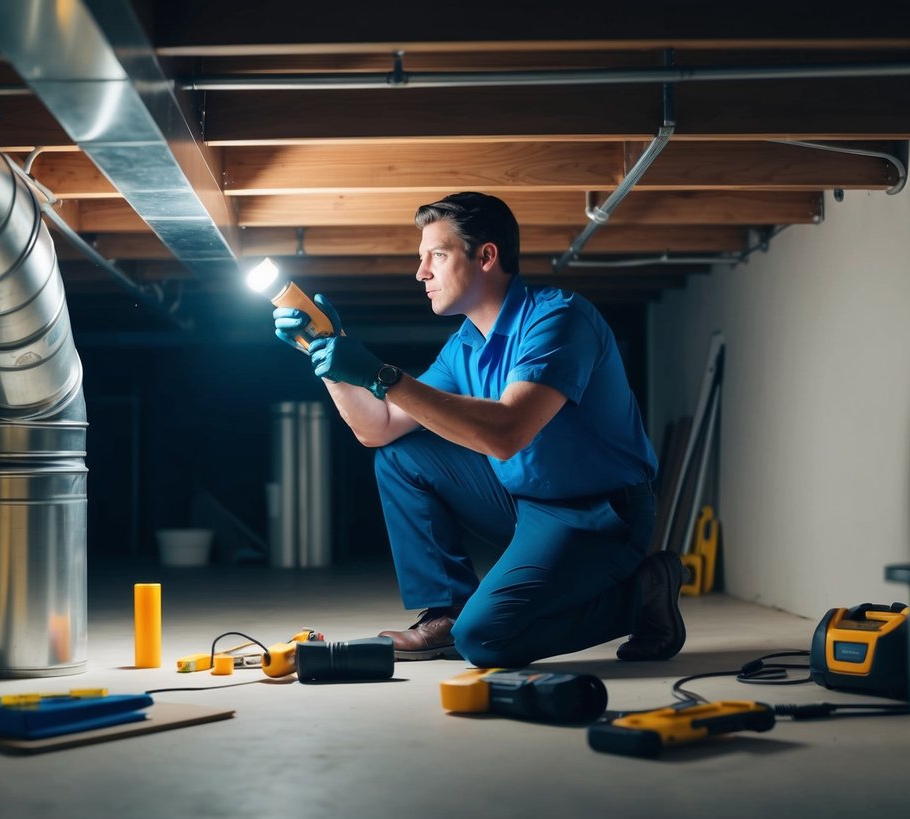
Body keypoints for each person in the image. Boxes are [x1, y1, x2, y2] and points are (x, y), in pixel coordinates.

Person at [272, 192, 684, 668]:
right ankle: (447, 612)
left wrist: (381, 375)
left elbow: (508, 432)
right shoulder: (464, 344)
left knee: (487, 640)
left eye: (437, 256)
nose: (421, 272)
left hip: (598, 514)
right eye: (421, 257)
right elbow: (378, 429)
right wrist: (327, 355)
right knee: (402, 456)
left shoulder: (557, 320)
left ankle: (643, 592)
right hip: (524, 497)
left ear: (486, 256)